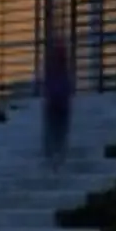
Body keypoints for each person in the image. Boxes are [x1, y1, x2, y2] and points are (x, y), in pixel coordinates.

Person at [41, 31, 74, 169]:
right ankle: (55, 153)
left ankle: (55, 154)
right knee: (56, 130)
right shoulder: (56, 67)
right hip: (57, 102)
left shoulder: (57, 67)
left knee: (56, 130)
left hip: (58, 103)